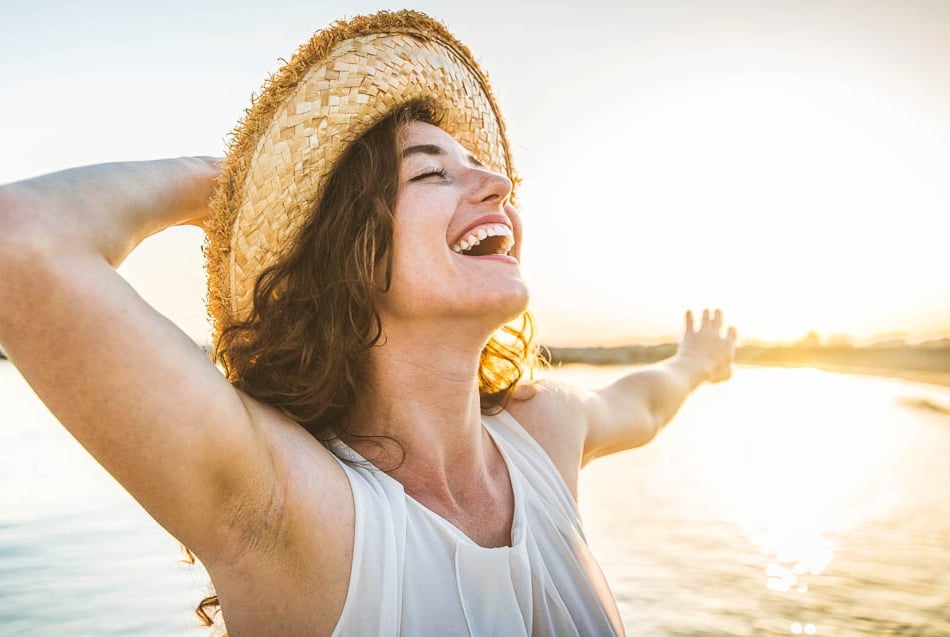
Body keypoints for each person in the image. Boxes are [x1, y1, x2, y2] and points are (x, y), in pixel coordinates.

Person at [0, 10, 735, 637]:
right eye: (432, 172)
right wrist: (226, 183)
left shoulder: (544, 430)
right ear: (352, 250)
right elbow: (20, 241)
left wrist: (696, 361)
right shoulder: (289, 507)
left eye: (481, 166)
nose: (498, 185)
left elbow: (645, 401)